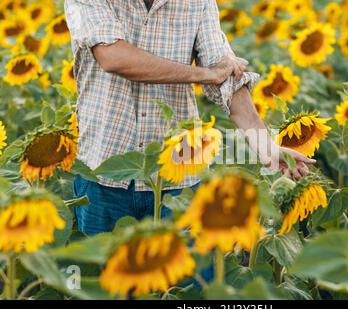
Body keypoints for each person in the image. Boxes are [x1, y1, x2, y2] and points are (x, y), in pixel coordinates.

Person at [64, 0, 315, 236]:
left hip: (180, 175)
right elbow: (114, 57)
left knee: (189, 279)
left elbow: (227, 75)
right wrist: (204, 74)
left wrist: (266, 147)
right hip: (103, 172)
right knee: (103, 276)